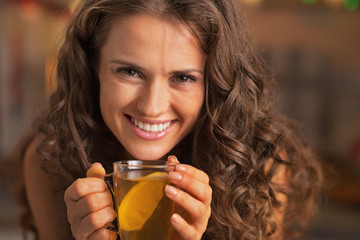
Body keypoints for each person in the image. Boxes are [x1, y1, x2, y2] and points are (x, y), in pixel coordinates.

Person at [13, 0, 322, 239]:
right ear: (93, 68)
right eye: (129, 71)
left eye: (183, 77)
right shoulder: (52, 161)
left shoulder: (260, 166)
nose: (152, 106)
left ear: (215, 83)